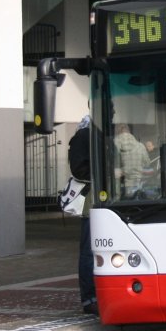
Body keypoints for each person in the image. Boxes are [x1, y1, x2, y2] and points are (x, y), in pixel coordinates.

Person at [69, 115, 99, 316]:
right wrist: (104, 173)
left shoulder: (100, 131)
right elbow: (79, 169)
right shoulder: (85, 134)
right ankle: (89, 298)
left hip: (108, 199)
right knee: (89, 251)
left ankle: (96, 295)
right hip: (93, 201)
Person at [114, 123, 149, 197]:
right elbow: (147, 163)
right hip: (139, 184)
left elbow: (113, 164)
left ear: (118, 132)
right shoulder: (140, 146)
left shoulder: (115, 143)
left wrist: (123, 170)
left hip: (122, 187)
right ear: (129, 132)